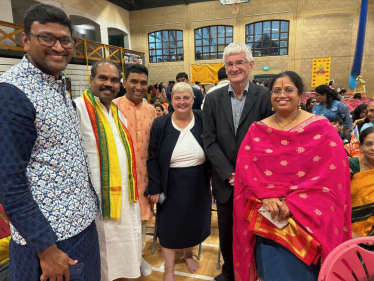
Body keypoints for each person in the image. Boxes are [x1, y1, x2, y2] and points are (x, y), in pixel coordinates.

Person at [0, 3, 101, 280]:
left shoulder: (56, 83)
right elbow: (9, 183)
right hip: (48, 242)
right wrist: (46, 249)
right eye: (46, 37)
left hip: (81, 227)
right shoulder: (12, 95)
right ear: (25, 40)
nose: (58, 47)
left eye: (65, 40)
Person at [233, 71, 352, 281]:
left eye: (289, 90)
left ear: (300, 94)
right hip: (269, 220)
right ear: (270, 95)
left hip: (308, 222)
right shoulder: (257, 130)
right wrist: (266, 196)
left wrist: (293, 204)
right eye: (276, 91)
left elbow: (332, 177)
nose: (282, 95)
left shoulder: (321, 128)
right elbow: (246, 173)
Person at [203, 42, 273, 281]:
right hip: (226, 182)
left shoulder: (265, 96)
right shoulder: (212, 99)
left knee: (256, 231)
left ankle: (255, 273)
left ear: (250, 65)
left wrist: (247, 174)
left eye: (239, 63)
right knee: (227, 231)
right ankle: (230, 273)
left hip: (255, 182)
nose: (234, 68)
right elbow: (209, 141)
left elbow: (268, 141)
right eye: (230, 64)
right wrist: (230, 174)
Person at [74, 61, 142, 280]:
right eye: (102, 78)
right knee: (102, 255)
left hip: (123, 197)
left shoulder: (116, 112)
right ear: (91, 79)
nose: (108, 84)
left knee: (122, 249)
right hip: (96, 201)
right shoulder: (78, 108)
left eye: (114, 80)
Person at [147, 82, 211, 281]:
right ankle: (169, 270)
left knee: (192, 222)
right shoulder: (160, 124)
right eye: (177, 98)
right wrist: (155, 187)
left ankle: (188, 254)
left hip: (198, 181)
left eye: (186, 98)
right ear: (170, 100)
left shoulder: (203, 119)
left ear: (193, 100)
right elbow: (153, 157)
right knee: (169, 226)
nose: (182, 102)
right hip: (170, 182)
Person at [114, 64, 156, 276]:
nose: (139, 87)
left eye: (143, 83)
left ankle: (138, 259)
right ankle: (123, 262)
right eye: (134, 81)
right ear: (124, 83)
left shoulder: (151, 110)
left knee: (141, 223)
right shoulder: (113, 107)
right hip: (121, 177)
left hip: (144, 177)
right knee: (122, 223)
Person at [349, 127, 374, 245]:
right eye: (369, 144)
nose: (373, 148)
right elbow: (336, 199)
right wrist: (349, 232)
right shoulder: (351, 166)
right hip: (350, 229)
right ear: (360, 146)